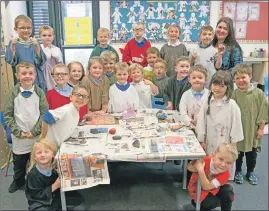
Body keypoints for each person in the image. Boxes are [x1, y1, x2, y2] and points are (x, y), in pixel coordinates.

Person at [4, 62, 47, 193]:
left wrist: (35, 131)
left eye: (30, 73)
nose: (27, 76)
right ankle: (18, 181)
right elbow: (8, 115)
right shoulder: (12, 93)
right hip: (19, 137)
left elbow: (44, 113)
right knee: (19, 164)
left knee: (36, 162)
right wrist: (18, 132)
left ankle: (36, 183)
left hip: (36, 136)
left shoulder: (39, 92)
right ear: (17, 76)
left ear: (35, 75)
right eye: (24, 73)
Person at [196, 70, 244, 180]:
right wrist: (201, 139)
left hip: (225, 142)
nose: (217, 88)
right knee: (210, 164)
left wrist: (233, 143)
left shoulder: (232, 105)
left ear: (228, 88)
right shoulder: (207, 102)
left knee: (223, 165)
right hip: (210, 141)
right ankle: (208, 184)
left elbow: (236, 125)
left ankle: (222, 184)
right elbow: (201, 122)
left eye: (221, 86)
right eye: (215, 84)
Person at [231, 64, 268, 185]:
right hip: (238, 130)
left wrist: (261, 129)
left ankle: (250, 171)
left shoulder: (258, 93)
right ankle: (237, 171)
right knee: (238, 154)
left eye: (243, 77)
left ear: (250, 77)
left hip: (253, 130)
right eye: (237, 78)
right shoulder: (234, 94)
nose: (240, 80)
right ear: (234, 80)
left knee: (252, 154)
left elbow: (263, 112)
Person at [25, 139, 85, 211]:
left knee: (79, 203)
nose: (43, 155)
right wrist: (55, 186)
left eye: (46, 152)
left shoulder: (55, 166)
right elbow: (36, 195)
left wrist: (62, 172)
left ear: (53, 154)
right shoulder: (33, 174)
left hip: (55, 195)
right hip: (40, 201)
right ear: (34, 156)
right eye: (39, 153)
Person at [187, 143, 238, 211]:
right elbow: (188, 166)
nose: (223, 164)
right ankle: (198, 203)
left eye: (228, 163)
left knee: (228, 190)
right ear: (213, 156)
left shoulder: (226, 174)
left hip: (211, 188)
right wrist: (194, 167)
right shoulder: (205, 160)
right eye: (220, 159)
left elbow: (206, 186)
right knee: (211, 202)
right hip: (198, 191)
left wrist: (201, 170)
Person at [5, 15, 47, 92]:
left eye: (29, 27)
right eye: (22, 28)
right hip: (22, 79)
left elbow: (41, 61)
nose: (26, 30)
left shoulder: (34, 42)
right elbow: (10, 61)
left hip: (36, 79)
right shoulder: (13, 43)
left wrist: (37, 46)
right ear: (15, 29)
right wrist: (13, 45)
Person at [39, 25, 63, 91]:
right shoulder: (38, 48)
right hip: (41, 74)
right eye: (44, 35)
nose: (47, 37)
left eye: (49, 35)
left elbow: (61, 65)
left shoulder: (56, 49)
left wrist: (58, 59)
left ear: (53, 37)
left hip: (53, 75)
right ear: (40, 37)